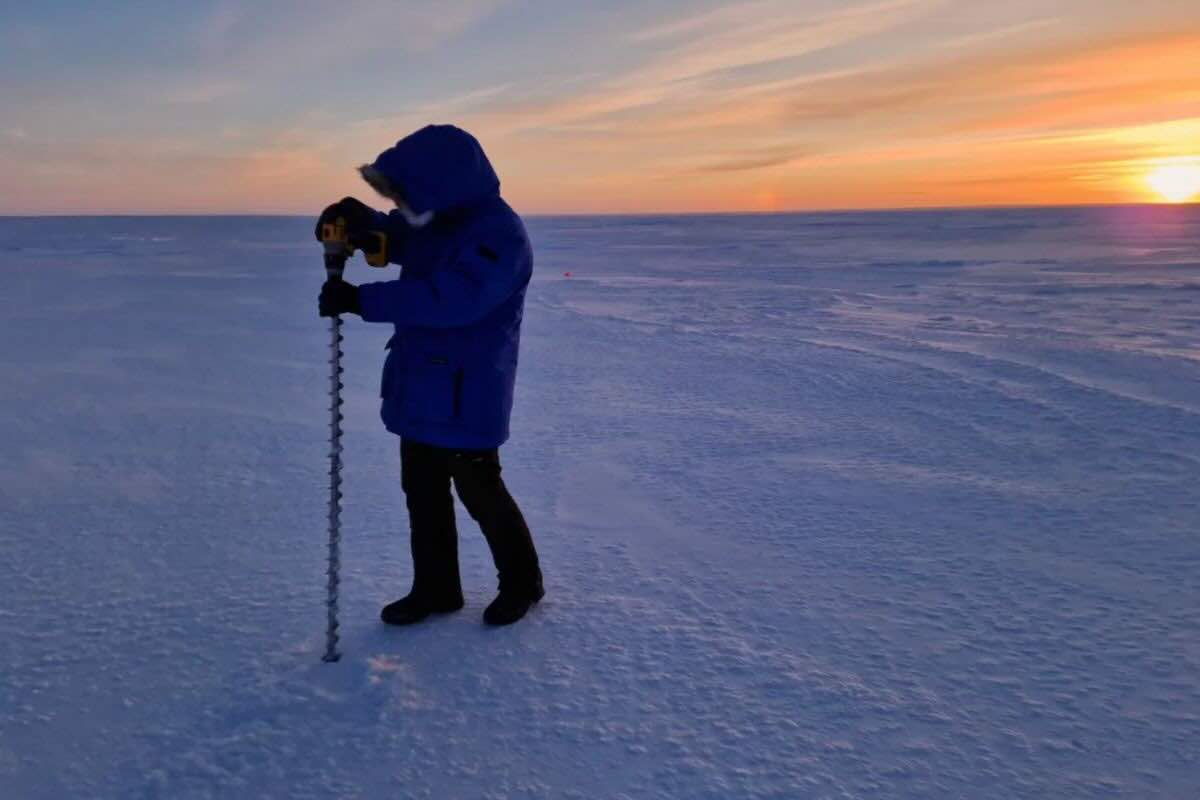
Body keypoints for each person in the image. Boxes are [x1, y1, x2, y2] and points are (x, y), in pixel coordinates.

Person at [314, 125, 543, 627]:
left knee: (482, 492)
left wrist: (361, 299)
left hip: (467, 391)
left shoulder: (497, 235)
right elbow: (404, 236)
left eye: (406, 193)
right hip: (422, 386)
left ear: (442, 185)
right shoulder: (442, 221)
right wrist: (360, 222)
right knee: (422, 492)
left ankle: (523, 583)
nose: (401, 202)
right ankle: (436, 587)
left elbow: (453, 298)